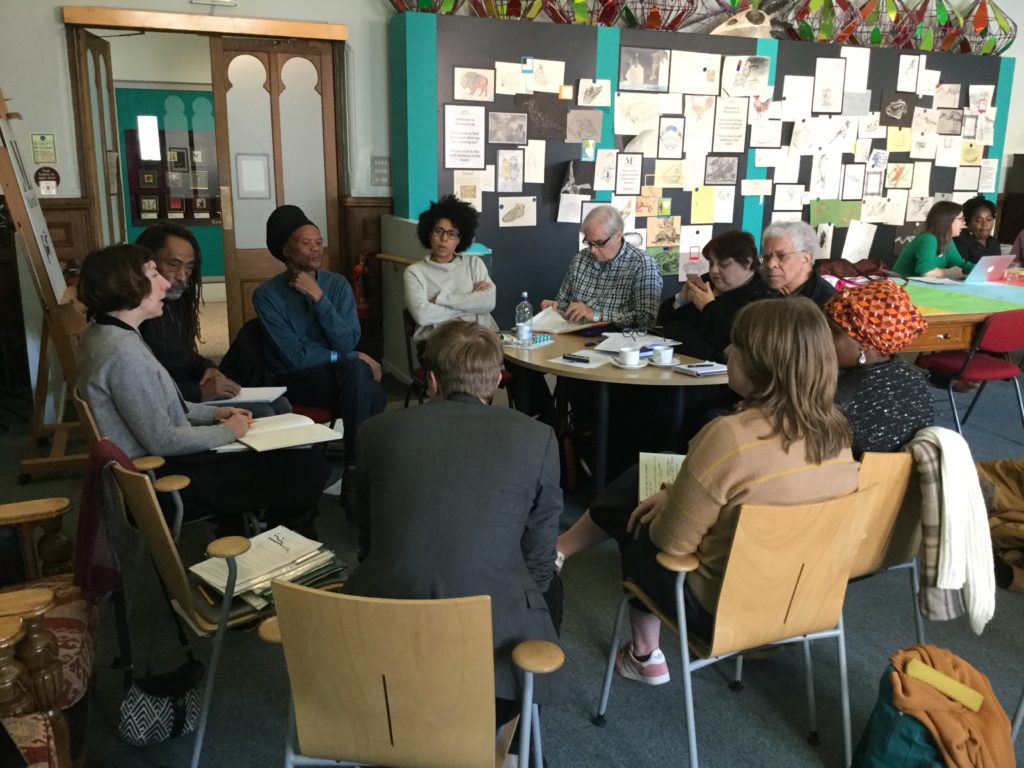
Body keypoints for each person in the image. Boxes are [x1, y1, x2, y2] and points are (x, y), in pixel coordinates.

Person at [614, 298, 859, 684]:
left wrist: (671, 503)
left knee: (637, 528)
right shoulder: (838, 434)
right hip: (807, 604)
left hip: (724, 611)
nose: (727, 351)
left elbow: (672, 544)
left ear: (763, 363)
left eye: (737, 345)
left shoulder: (729, 435)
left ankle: (644, 655)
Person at [343, 320, 564, 719]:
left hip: (376, 652)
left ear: (430, 380)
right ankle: (517, 734)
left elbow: (368, 534)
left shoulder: (376, 430)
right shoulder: (538, 438)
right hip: (492, 676)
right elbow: (539, 557)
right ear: (498, 380)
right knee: (550, 587)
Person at [76, 244, 328, 532]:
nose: (166, 283)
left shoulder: (104, 333)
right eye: (154, 274)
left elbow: (163, 408)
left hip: (158, 463)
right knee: (306, 467)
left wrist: (214, 413)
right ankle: (281, 548)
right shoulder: (122, 352)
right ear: (126, 284)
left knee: (292, 458)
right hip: (160, 476)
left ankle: (255, 534)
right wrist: (227, 431)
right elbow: (163, 440)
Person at [252, 204, 387, 506]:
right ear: (286, 250)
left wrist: (319, 298)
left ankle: (352, 471)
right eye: (305, 242)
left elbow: (349, 338)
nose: (315, 249)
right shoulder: (266, 295)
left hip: (339, 379)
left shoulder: (336, 285)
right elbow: (295, 357)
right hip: (298, 381)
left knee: (359, 379)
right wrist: (347, 357)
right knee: (367, 388)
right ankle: (359, 474)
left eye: (319, 242)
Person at [135, 223, 289, 417]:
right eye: (173, 265)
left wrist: (208, 367)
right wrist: (200, 392)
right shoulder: (135, 318)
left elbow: (182, 357)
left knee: (281, 405)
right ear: (148, 265)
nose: (183, 276)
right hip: (171, 408)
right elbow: (145, 392)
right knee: (264, 412)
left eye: (189, 267)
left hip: (186, 392)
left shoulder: (173, 305)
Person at [824, 281, 934, 458]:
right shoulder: (917, 381)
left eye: (833, 332)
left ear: (866, 345)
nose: (821, 337)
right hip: (899, 482)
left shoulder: (836, 399)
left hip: (855, 482)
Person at [657, 230, 774, 363]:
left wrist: (708, 307)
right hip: (673, 360)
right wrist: (680, 300)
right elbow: (662, 321)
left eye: (723, 264)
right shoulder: (707, 281)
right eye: (711, 263)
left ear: (747, 263)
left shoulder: (763, 297)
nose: (714, 270)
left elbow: (735, 341)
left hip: (716, 374)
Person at [541, 204, 662, 329]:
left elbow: (646, 319)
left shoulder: (643, 264)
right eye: (588, 242)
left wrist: (595, 315)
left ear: (618, 236)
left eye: (599, 243)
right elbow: (564, 302)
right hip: (575, 336)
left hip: (619, 342)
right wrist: (555, 306)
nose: (592, 250)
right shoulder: (580, 259)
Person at [404, 195, 497, 341]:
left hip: (481, 338)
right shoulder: (415, 272)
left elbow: (488, 303)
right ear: (429, 234)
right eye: (438, 231)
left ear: (460, 239)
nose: (444, 239)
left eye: (452, 233)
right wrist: (471, 304)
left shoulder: (474, 264)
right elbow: (423, 316)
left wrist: (440, 300)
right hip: (440, 342)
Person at [759, 220, 836, 305]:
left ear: (806, 259)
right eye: (766, 256)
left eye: (781, 256)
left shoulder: (829, 304)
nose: (770, 264)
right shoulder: (759, 293)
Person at [892, 201, 973, 278]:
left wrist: (984, 271)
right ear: (947, 220)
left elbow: (962, 265)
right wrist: (949, 272)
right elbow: (925, 272)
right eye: (960, 219)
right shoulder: (928, 239)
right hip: (900, 288)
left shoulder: (947, 240)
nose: (964, 223)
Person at [953, 196, 1001, 264]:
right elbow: (959, 269)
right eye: (978, 221)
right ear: (968, 222)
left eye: (989, 220)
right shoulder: (959, 242)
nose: (985, 224)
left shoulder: (994, 242)